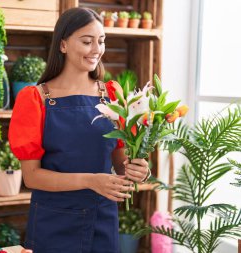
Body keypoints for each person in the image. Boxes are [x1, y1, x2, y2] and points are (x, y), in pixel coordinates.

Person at [8, 7, 150, 253]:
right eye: (87, 41)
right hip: (54, 223)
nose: (97, 49)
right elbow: (31, 176)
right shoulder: (35, 99)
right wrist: (91, 181)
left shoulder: (112, 95)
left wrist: (138, 170)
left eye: (101, 41)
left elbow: (120, 164)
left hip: (103, 220)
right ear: (63, 45)